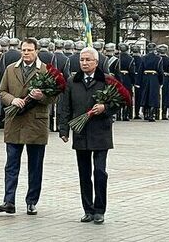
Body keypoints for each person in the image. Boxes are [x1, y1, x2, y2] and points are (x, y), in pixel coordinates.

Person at [0, 38, 57, 216]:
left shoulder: (46, 70)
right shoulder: (10, 69)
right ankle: (9, 201)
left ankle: (31, 202)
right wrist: (12, 100)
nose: (26, 53)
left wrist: (42, 96)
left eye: (29, 50)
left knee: (35, 166)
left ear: (36, 51)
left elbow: (54, 96)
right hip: (14, 122)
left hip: (36, 122)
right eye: (23, 50)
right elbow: (1, 92)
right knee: (11, 165)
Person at [58, 47, 117, 225]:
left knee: (99, 172)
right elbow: (65, 106)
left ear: (96, 63)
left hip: (100, 132)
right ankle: (88, 209)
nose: (84, 63)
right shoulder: (72, 81)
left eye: (88, 60)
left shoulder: (106, 80)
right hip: (80, 132)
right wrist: (63, 129)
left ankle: (100, 210)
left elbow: (119, 102)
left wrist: (105, 108)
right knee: (84, 173)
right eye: (82, 60)